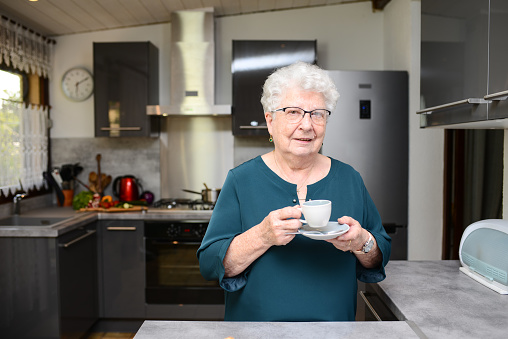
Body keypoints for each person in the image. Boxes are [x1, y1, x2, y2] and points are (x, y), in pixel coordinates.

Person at [197, 61, 391, 322]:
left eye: (317, 113)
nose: (307, 125)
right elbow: (210, 264)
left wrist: (362, 242)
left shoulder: (349, 178)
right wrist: (262, 236)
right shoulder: (241, 180)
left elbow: (380, 255)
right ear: (270, 120)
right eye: (293, 112)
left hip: (334, 334)